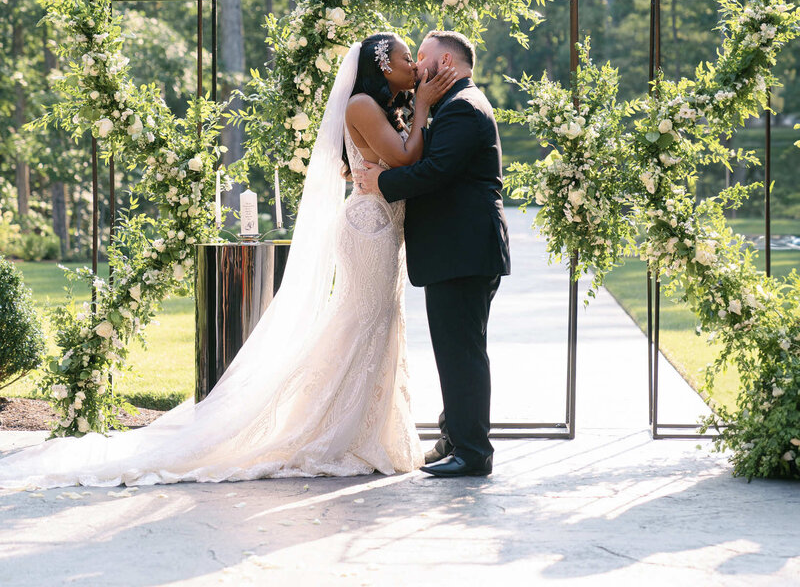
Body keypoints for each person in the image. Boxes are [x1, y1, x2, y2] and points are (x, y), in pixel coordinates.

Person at [0, 35, 456, 489]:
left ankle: (367, 430)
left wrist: (417, 109)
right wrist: (422, 107)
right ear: (381, 65)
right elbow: (403, 156)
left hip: (385, 225)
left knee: (379, 322)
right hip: (368, 227)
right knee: (363, 322)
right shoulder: (360, 103)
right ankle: (330, 431)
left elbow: (405, 159)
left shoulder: (389, 106)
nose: (414, 66)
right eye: (403, 57)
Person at [353, 30, 510, 478]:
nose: (417, 66)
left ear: (445, 63)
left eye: (422, 57)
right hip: (457, 249)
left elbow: (434, 171)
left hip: (462, 249)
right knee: (455, 348)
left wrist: (378, 184)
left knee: (462, 351)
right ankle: (455, 437)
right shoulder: (453, 104)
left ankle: (474, 452)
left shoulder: (463, 107)